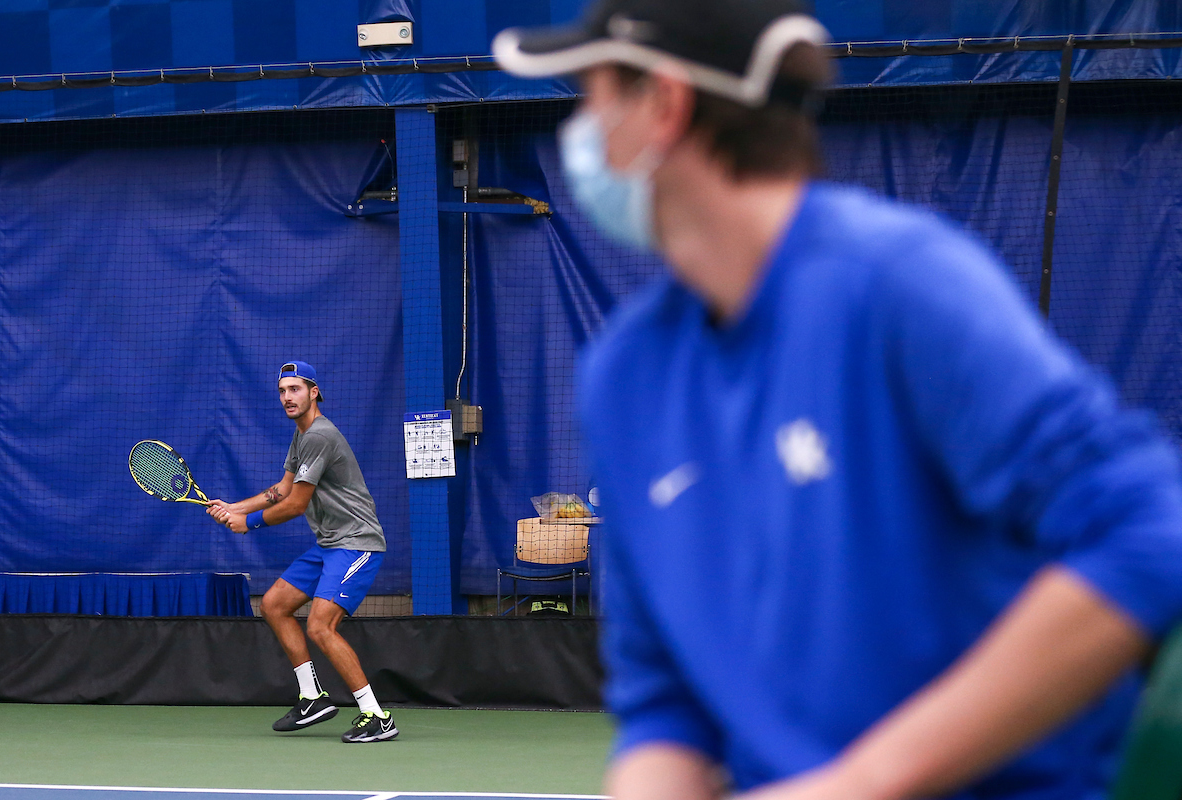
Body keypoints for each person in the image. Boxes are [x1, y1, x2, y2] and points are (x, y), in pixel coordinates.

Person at [493, 2, 1182, 799]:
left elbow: (1149, 532)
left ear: (665, 104)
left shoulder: (901, 284)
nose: (579, 133)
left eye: (593, 95)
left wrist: (865, 780)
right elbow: (665, 703)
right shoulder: (624, 375)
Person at [207, 361, 397, 743]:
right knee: (274, 605)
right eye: (282, 391)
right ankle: (312, 697)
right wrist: (234, 508)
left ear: (314, 392)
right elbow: (281, 489)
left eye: (295, 389)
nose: (287, 397)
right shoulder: (302, 436)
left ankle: (377, 716)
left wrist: (250, 523)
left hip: (357, 543)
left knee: (319, 626)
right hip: (329, 544)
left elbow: (294, 505)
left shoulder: (320, 436)